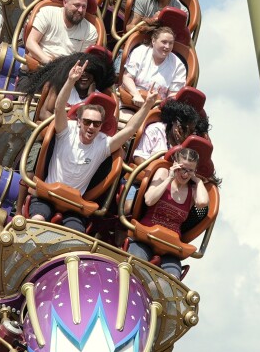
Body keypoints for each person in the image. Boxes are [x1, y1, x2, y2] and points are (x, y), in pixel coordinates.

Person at [29, 61, 158, 232]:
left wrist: (147, 105)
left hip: (74, 205)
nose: (91, 127)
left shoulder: (103, 144)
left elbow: (130, 130)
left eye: (96, 124)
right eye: (87, 122)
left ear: (101, 126)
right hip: (49, 194)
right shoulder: (67, 131)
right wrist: (70, 81)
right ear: (79, 121)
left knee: (75, 237)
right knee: (38, 220)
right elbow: (59, 108)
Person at [127, 143, 211, 277]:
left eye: (190, 170)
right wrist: (170, 178)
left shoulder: (193, 189)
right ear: (175, 164)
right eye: (182, 168)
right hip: (146, 237)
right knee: (137, 269)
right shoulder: (163, 173)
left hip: (171, 247)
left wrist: (198, 181)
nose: (185, 174)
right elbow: (149, 200)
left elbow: (202, 202)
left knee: (171, 280)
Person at [26, 0, 100, 66]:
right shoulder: (48, 13)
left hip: (65, 71)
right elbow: (30, 43)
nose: (80, 10)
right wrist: (50, 63)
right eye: (77, 5)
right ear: (65, 3)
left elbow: (80, 62)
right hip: (38, 65)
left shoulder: (90, 31)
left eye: (84, 6)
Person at [121, 26, 187, 105]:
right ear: (153, 41)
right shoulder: (140, 51)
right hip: (130, 99)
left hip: (156, 106)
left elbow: (173, 95)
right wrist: (136, 95)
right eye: (164, 42)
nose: (167, 46)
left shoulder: (178, 65)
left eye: (171, 43)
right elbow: (127, 77)